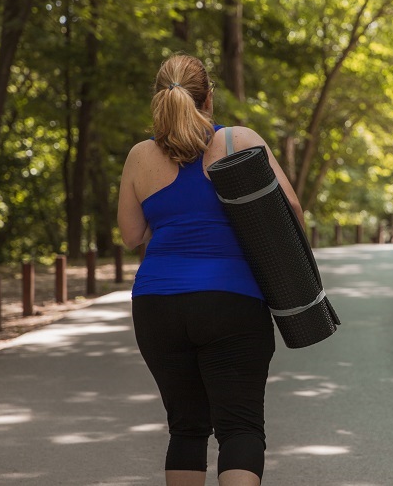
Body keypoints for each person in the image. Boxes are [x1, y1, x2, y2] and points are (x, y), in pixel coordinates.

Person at [117, 54, 303, 486]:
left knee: (186, 427)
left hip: (156, 305)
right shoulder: (239, 140)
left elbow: (131, 235)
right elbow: (290, 209)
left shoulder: (140, 156)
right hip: (232, 300)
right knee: (239, 427)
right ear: (209, 97)